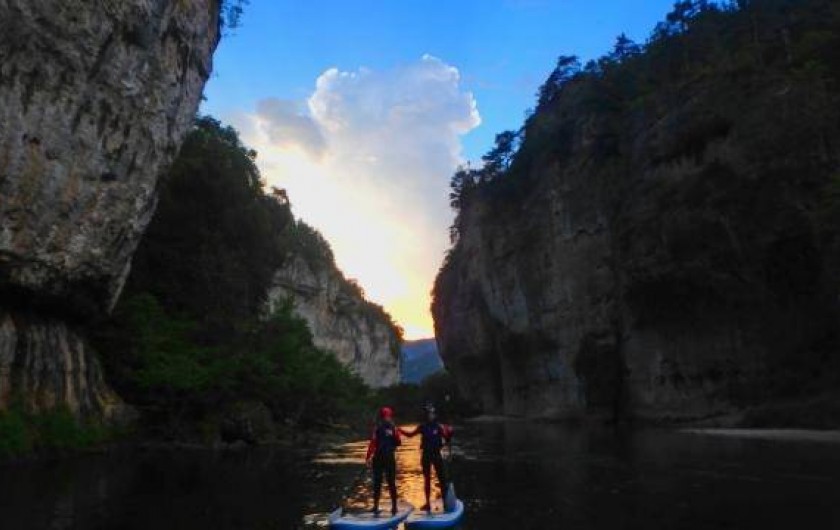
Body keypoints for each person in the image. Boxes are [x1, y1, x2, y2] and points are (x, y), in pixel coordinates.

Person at [400, 404, 453, 512]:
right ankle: (427, 504)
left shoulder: (439, 427)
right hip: (426, 456)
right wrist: (400, 431)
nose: (430, 416)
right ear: (426, 415)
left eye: (432, 414)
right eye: (428, 414)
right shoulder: (422, 427)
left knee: (442, 480)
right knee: (427, 480)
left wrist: (449, 436)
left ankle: (446, 503)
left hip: (437, 455)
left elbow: (447, 439)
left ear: (434, 415)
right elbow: (410, 435)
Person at [365, 406, 401, 515]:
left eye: (388, 416)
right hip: (378, 458)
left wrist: (393, 435)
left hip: (389, 457)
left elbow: (399, 442)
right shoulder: (377, 428)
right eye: (385, 416)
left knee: (391, 482)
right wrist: (368, 457)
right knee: (377, 482)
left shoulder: (394, 428)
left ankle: (394, 507)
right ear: (382, 417)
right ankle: (375, 506)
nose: (387, 418)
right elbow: (373, 443)